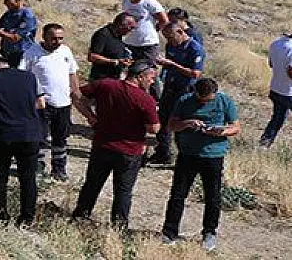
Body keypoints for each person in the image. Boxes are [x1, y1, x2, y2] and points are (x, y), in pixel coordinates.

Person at [71, 60, 161, 229]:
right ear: (140, 77)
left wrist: (90, 116)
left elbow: (76, 95)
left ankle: (80, 216)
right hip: (129, 151)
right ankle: (118, 227)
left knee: (92, 184)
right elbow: (154, 128)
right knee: (123, 191)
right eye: (151, 77)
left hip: (102, 145)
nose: (153, 81)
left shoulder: (105, 85)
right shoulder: (145, 99)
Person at [161, 78, 240, 252]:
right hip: (188, 154)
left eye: (208, 99)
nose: (204, 102)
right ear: (195, 93)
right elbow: (171, 125)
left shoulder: (224, 101)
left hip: (213, 155)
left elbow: (235, 127)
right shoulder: (184, 101)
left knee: (212, 197)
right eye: (201, 99)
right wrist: (187, 123)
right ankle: (169, 232)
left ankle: (209, 233)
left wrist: (221, 131)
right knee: (178, 194)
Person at [0, 56, 46, 227]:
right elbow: (41, 104)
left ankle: (1, 216)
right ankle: (26, 218)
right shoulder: (30, 77)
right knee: (28, 178)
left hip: (2, 134)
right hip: (30, 134)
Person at [20, 23, 79, 181]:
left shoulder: (65, 51)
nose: (57, 42)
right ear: (44, 37)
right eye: (53, 38)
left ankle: (59, 169)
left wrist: (76, 91)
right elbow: (23, 77)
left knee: (60, 138)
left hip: (63, 103)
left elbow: (72, 73)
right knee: (39, 138)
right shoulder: (31, 53)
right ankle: (37, 168)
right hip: (42, 104)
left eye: (60, 38)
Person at [149, 22, 205, 165]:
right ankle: (163, 152)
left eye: (171, 37)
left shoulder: (195, 49)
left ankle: (185, 157)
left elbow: (195, 73)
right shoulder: (171, 46)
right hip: (170, 86)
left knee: (181, 123)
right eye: (167, 38)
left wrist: (173, 65)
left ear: (180, 32)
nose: (170, 41)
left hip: (185, 90)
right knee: (162, 120)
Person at [121, 0, 168, 64]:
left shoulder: (149, 3)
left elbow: (164, 20)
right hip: (130, 42)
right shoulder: (125, 2)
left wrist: (155, 30)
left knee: (148, 70)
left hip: (148, 44)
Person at [259, 33, 292, 148]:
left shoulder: (276, 43)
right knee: (278, 118)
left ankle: (264, 144)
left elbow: (271, 64)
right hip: (289, 91)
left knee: (277, 119)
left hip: (276, 88)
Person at [87, 12, 137, 81]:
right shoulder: (103, 34)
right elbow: (92, 57)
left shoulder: (119, 36)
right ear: (121, 25)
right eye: (131, 27)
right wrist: (114, 61)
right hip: (101, 79)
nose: (131, 31)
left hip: (114, 78)